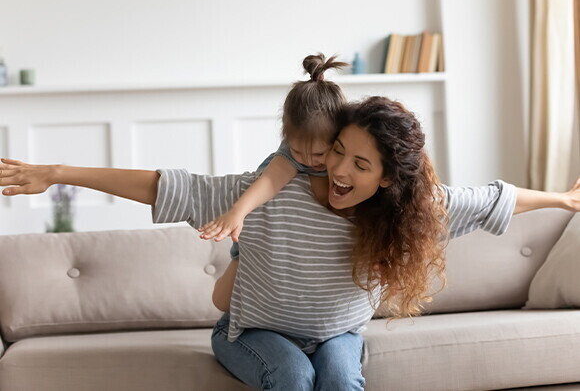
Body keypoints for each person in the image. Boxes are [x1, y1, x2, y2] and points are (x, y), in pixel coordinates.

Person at [1, 98, 579, 391]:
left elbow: (496, 197)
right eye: (336, 152)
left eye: (360, 164)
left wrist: (561, 200)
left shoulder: (411, 213)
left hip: (336, 332)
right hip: (253, 332)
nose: (340, 171)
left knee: (338, 379)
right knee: (296, 379)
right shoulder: (272, 191)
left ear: (387, 178)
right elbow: (161, 185)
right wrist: (57, 170)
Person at [203, 53, 349, 311]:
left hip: (311, 249)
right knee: (222, 301)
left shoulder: (349, 156)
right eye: (297, 150)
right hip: (262, 237)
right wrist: (237, 213)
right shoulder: (285, 160)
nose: (307, 160)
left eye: (318, 154)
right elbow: (269, 182)